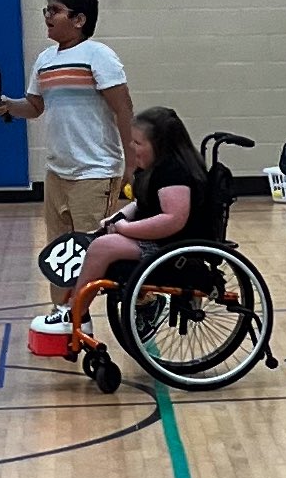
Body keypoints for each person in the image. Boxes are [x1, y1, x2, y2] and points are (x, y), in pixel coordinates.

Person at [0, 0, 134, 323]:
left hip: (96, 171)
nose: (47, 16)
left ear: (79, 19)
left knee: (100, 249)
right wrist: (5, 105)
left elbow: (123, 110)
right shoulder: (44, 60)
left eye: (54, 10)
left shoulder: (99, 56)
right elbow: (35, 107)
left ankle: (141, 300)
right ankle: (65, 312)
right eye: (46, 10)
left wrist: (132, 164)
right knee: (60, 251)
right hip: (57, 172)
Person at [29, 107, 207, 334]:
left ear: (160, 144)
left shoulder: (175, 173)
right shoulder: (156, 168)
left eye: (138, 143)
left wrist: (126, 229)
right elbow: (144, 204)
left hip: (175, 248)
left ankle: (76, 313)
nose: (132, 147)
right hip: (163, 243)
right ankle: (76, 311)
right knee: (102, 239)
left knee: (103, 247)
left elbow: (172, 220)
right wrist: (118, 218)